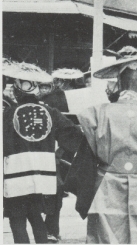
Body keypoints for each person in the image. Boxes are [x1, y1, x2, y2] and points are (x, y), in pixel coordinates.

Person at [68, 52, 137, 243]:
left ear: (118, 82)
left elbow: (86, 160)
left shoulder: (98, 114)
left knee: (105, 238)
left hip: (106, 188)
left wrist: (83, 194)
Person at [3, 61, 83, 244]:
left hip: (15, 176)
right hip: (43, 177)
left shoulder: (6, 115)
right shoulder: (50, 112)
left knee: (17, 220)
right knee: (36, 216)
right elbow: (74, 136)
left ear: (16, 91)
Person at [41, 68, 85, 243]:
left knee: (55, 190)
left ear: (61, 82)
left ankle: (50, 229)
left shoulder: (49, 100)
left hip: (54, 148)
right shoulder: (81, 98)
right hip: (72, 147)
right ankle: (52, 228)